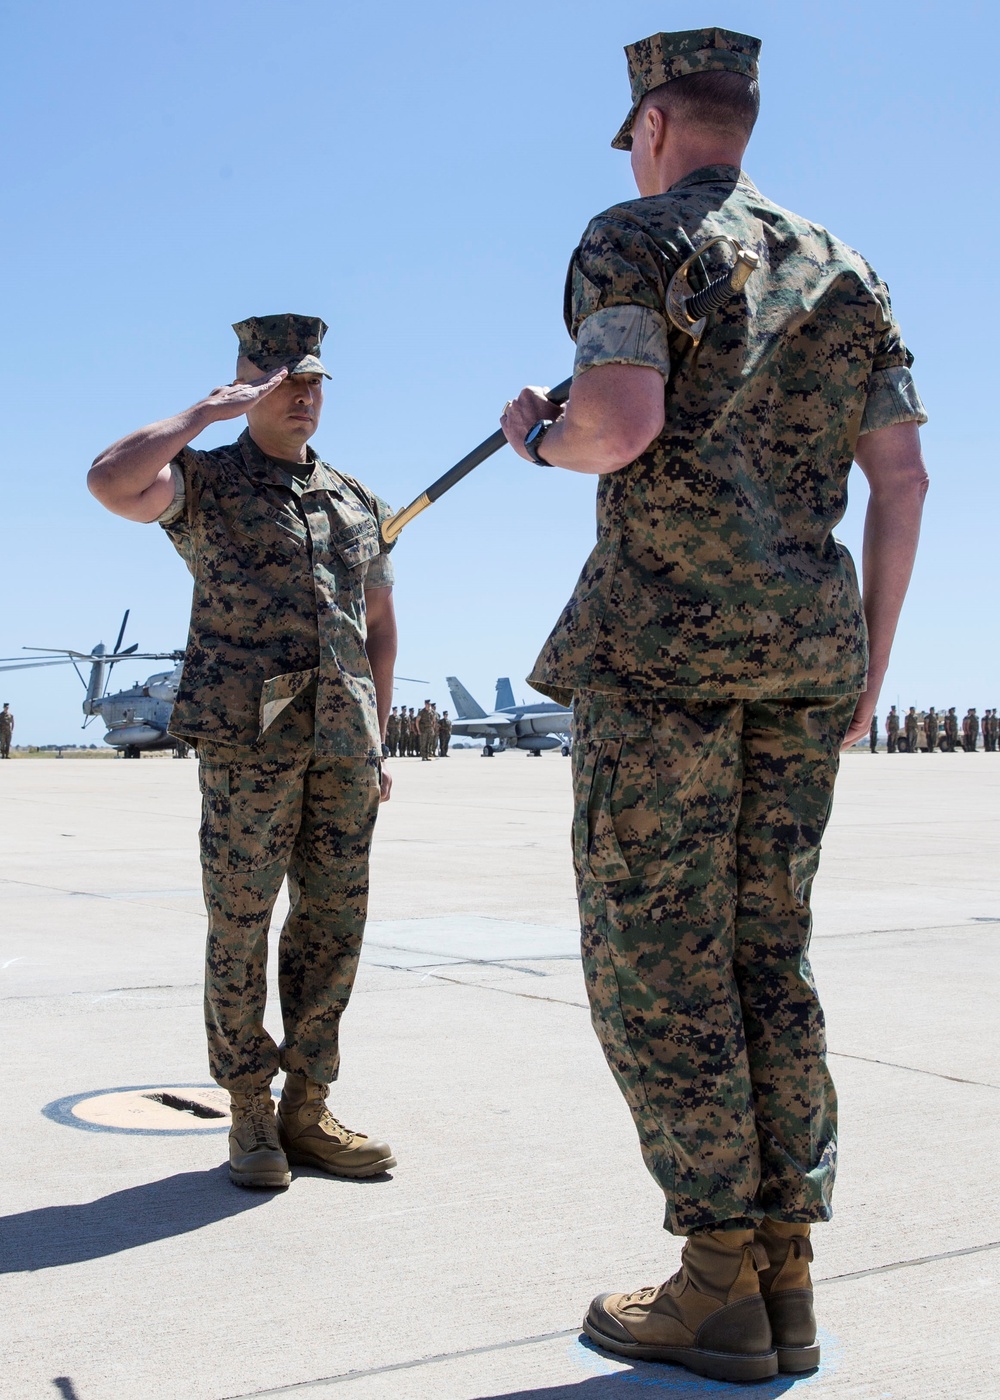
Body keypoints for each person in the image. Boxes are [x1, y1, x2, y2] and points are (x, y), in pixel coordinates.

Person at [501, 27, 928, 1384]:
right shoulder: (848, 269)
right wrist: (868, 665)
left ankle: (714, 1280)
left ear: (652, 124)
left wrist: (538, 436)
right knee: (768, 959)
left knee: (657, 963)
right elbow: (902, 483)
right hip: (807, 658)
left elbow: (616, 427)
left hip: (665, 661)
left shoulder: (633, 238)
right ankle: (785, 1269)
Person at [88, 313, 399, 1190]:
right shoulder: (206, 482)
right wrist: (199, 415)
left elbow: (378, 628)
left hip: (342, 745)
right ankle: (249, 1110)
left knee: (333, 926)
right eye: (284, 382)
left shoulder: (355, 501)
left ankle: (308, 1103)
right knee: (241, 924)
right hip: (247, 744)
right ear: (248, 386)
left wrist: (377, 740)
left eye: (314, 382)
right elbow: (109, 483)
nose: (304, 396)